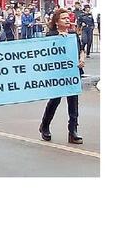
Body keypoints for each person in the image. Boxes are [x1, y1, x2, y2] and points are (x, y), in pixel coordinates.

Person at [38, 8, 86, 144]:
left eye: (68, 18)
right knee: (55, 100)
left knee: (73, 102)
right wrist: (59, 38)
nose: (67, 20)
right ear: (57, 22)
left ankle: (73, 131)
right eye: (64, 18)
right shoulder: (51, 35)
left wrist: (82, 59)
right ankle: (45, 125)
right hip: (57, 74)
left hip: (72, 73)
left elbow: (81, 50)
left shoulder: (73, 35)